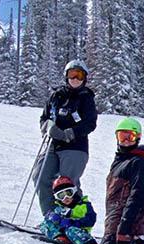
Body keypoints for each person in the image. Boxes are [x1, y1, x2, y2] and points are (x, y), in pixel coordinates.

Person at [36, 60, 98, 216]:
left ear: (85, 79)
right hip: (53, 144)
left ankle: (76, 219)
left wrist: (69, 133)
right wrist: (48, 128)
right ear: (66, 76)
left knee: (67, 183)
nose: (75, 79)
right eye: (72, 75)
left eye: (79, 75)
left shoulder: (86, 98)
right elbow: (44, 117)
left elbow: (90, 124)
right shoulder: (57, 96)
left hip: (75, 147)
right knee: (41, 177)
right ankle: (51, 218)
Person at [96, 118, 144, 244]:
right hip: (115, 221)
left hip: (129, 222)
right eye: (122, 136)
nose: (126, 140)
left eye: (131, 136)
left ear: (138, 138)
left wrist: (125, 226)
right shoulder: (120, 161)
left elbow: (138, 194)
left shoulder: (138, 162)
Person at [40, 176, 98, 244]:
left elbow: (91, 219)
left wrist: (75, 222)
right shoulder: (59, 208)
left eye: (68, 193)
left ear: (74, 192)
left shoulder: (84, 205)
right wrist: (51, 216)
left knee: (70, 230)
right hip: (63, 233)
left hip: (79, 232)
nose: (66, 197)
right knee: (45, 224)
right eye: (61, 196)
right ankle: (60, 237)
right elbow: (48, 216)